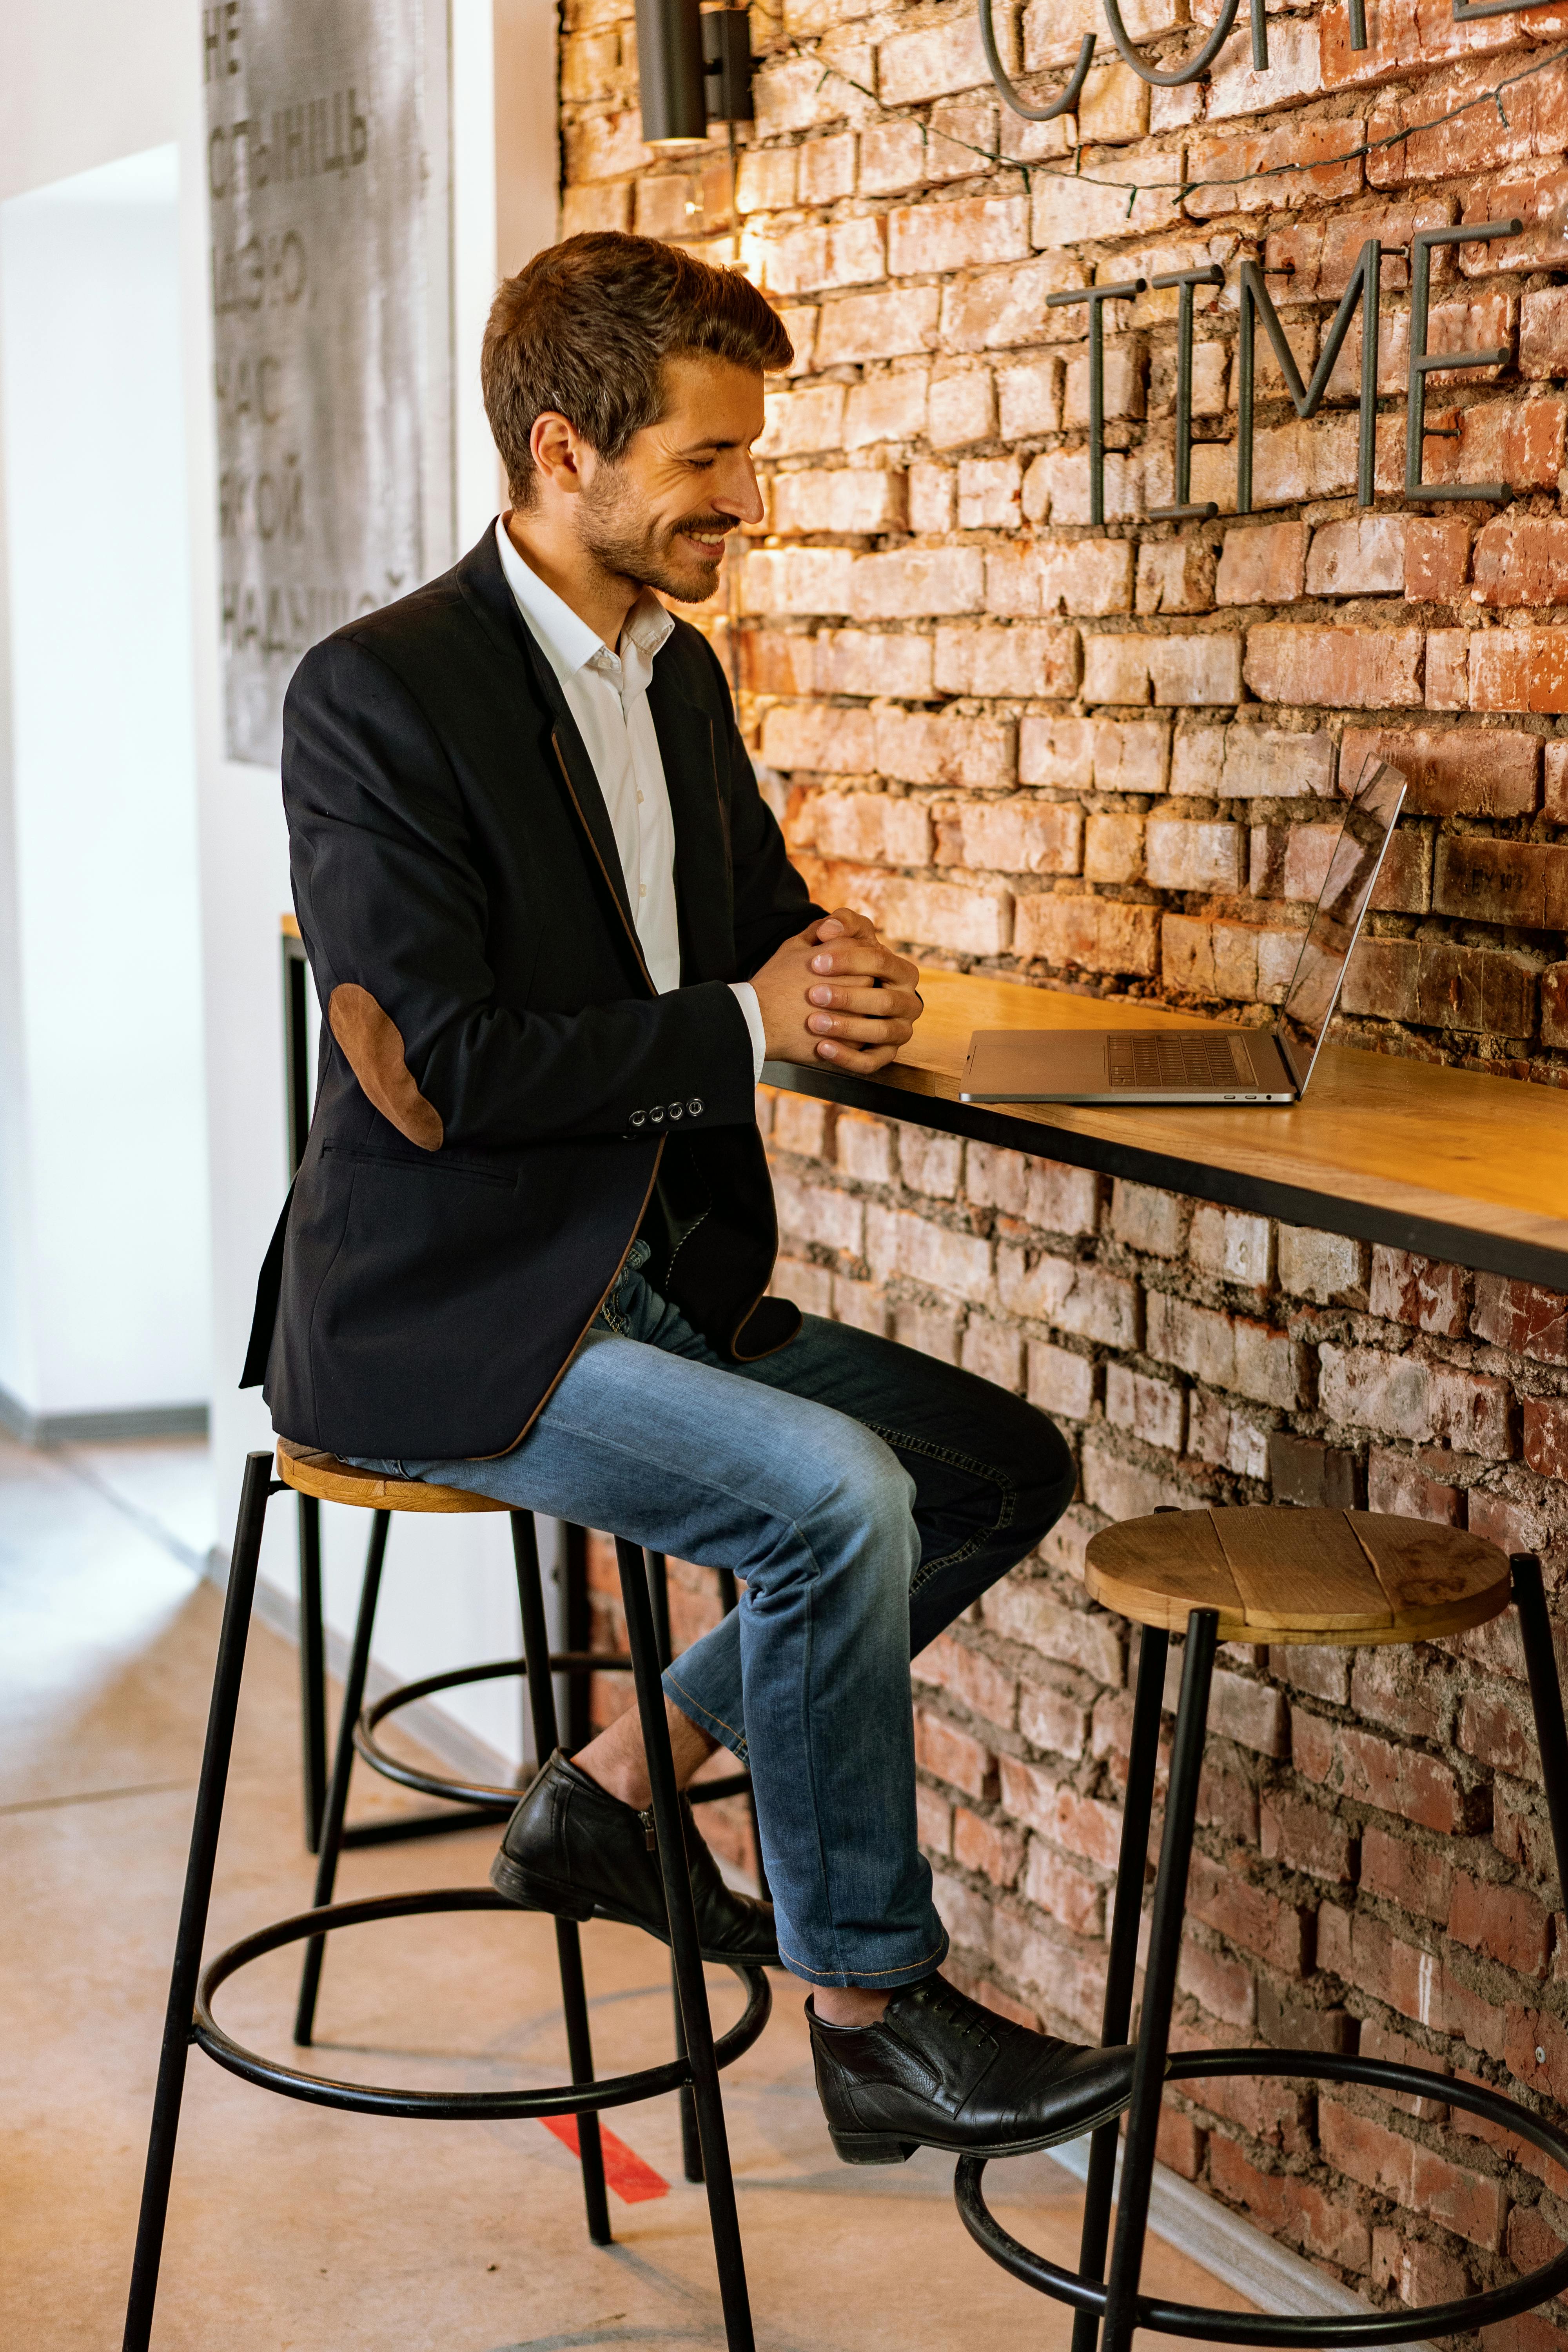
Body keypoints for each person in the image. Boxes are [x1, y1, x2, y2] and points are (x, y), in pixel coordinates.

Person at [246, 230, 1136, 2165]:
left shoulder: (675, 677)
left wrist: (842, 970)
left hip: (652, 1287)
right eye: (709, 459)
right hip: (450, 1313)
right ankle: (872, 2016)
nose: (747, 497)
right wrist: (743, 1019)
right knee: (834, 1499)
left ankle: (607, 1795)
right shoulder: (376, 693)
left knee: (1000, 1467)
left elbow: (751, 937)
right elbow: (443, 1072)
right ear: (565, 450)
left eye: (750, 454)